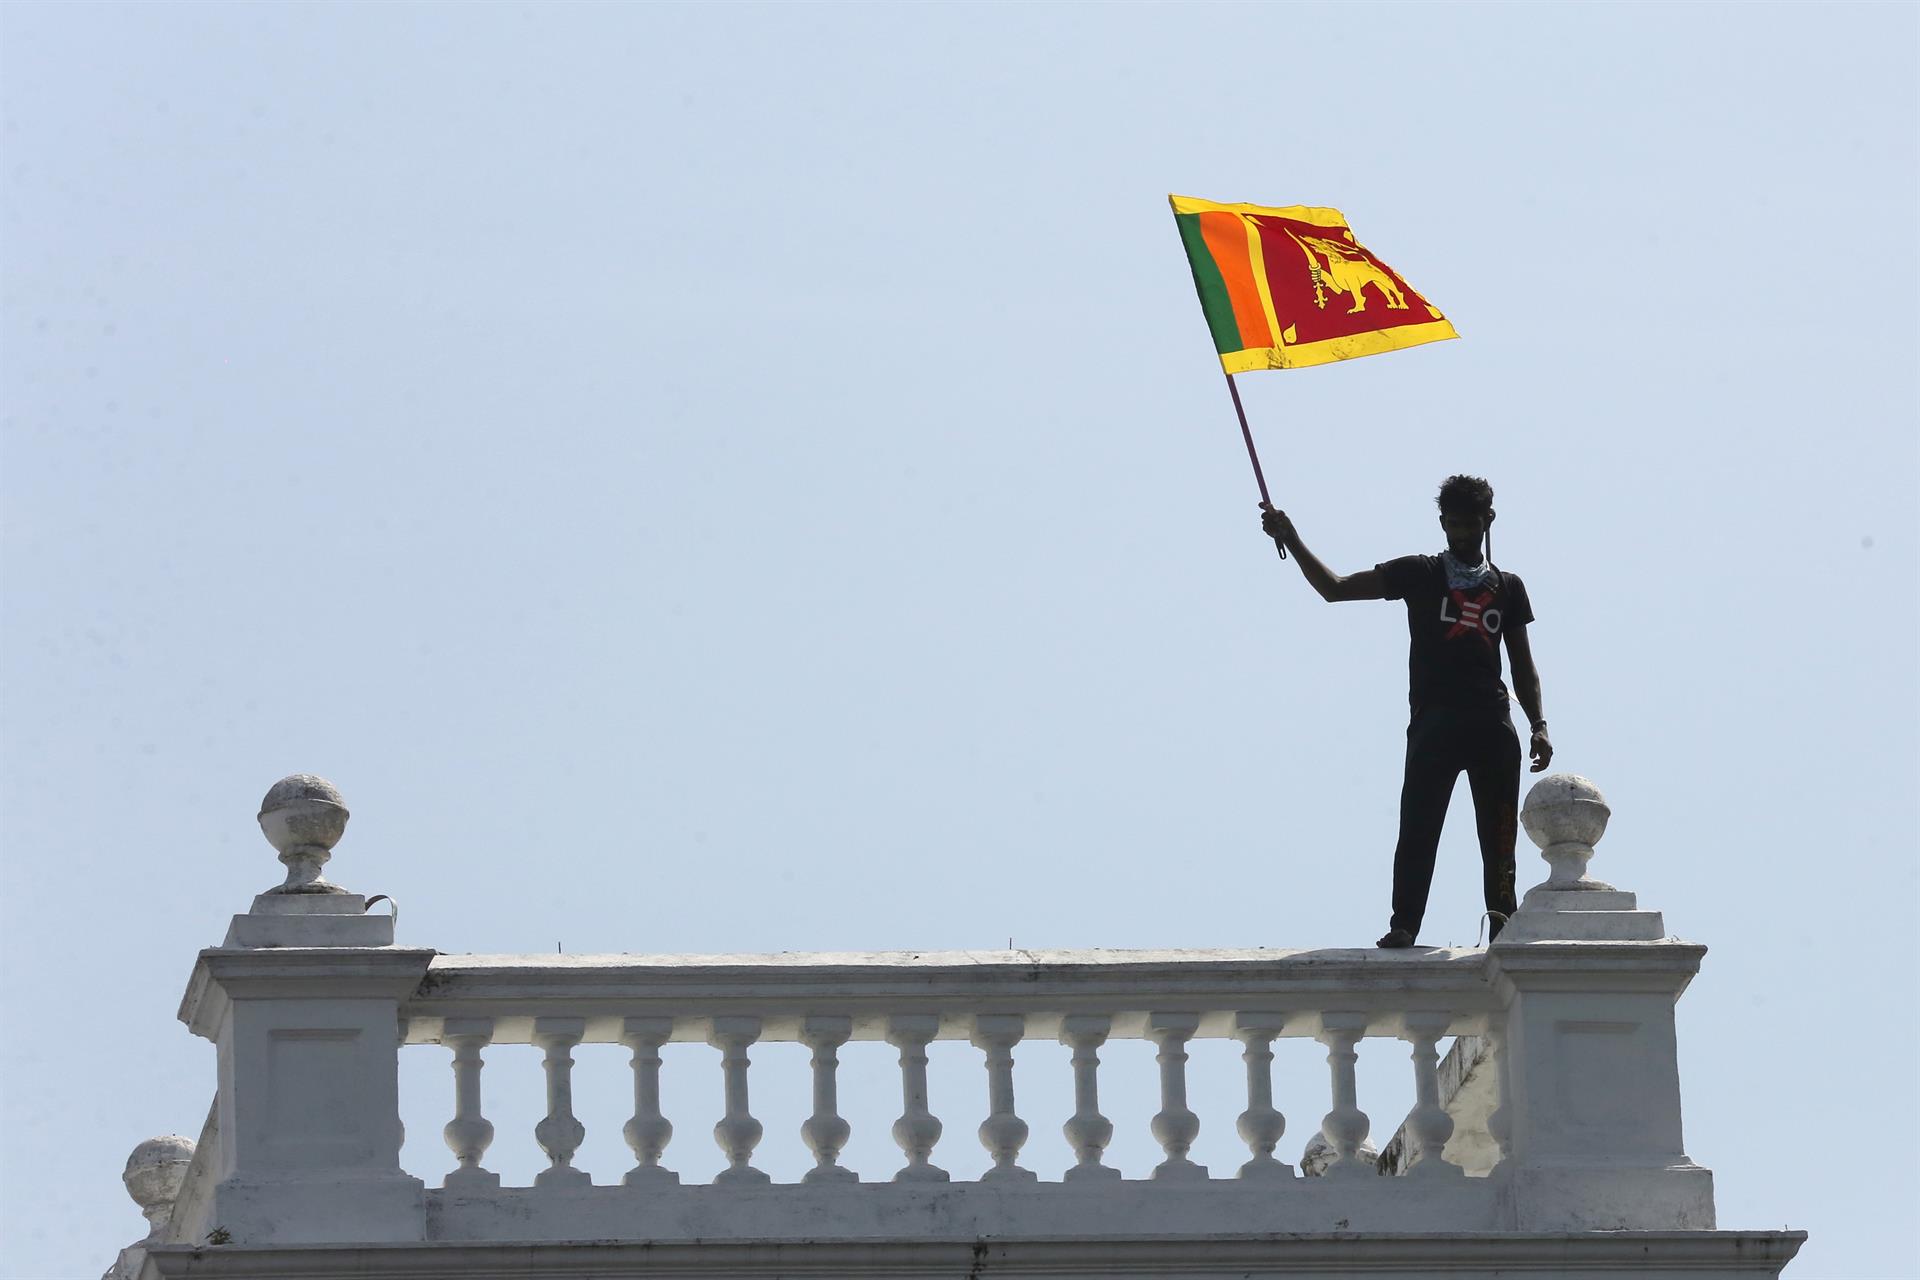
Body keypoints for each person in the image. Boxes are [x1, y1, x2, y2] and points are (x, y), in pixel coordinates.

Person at [1259, 475, 1552, 948]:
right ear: (1442, 524)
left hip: (1493, 726)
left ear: (1488, 522)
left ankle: (1502, 922)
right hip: (1435, 723)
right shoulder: (1420, 572)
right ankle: (1404, 925)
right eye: (1453, 525)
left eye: (1470, 525)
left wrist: (1538, 725)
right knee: (1418, 827)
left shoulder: (1508, 587)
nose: (1461, 535)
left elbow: (1523, 663)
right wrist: (1291, 539)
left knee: (1498, 836)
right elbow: (1336, 588)